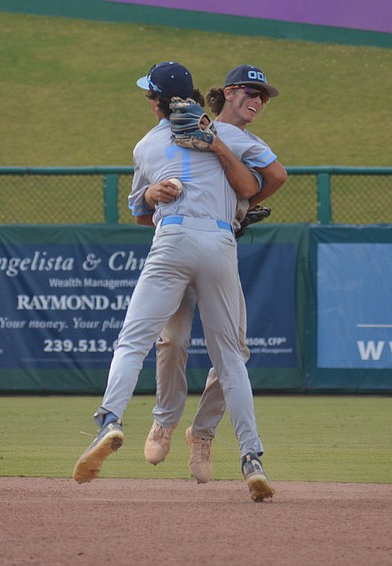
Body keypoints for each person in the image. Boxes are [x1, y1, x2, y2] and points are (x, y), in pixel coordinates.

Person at [72, 61, 275, 502]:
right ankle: (251, 457)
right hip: (220, 241)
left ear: (155, 102)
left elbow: (140, 212)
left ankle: (110, 420)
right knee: (230, 359)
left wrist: (150, 195)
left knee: (133, 341)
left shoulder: (145, 146)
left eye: (149, 95)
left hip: (173, 238)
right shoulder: (232, 136)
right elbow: (271, 176)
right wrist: (219, 150)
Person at [142, 65, 287, 486]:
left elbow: (276, 176)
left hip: (218, 247)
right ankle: (164, 421)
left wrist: (240, 207)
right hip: (176, 241)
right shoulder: (183, 128)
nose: (257, 100)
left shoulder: (248, 142)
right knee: (171, 338)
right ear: (227, 92)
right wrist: (152, 194)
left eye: (263, 95)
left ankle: (201, 434)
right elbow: (146, 187)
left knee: (234, 353)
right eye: (250, 91)